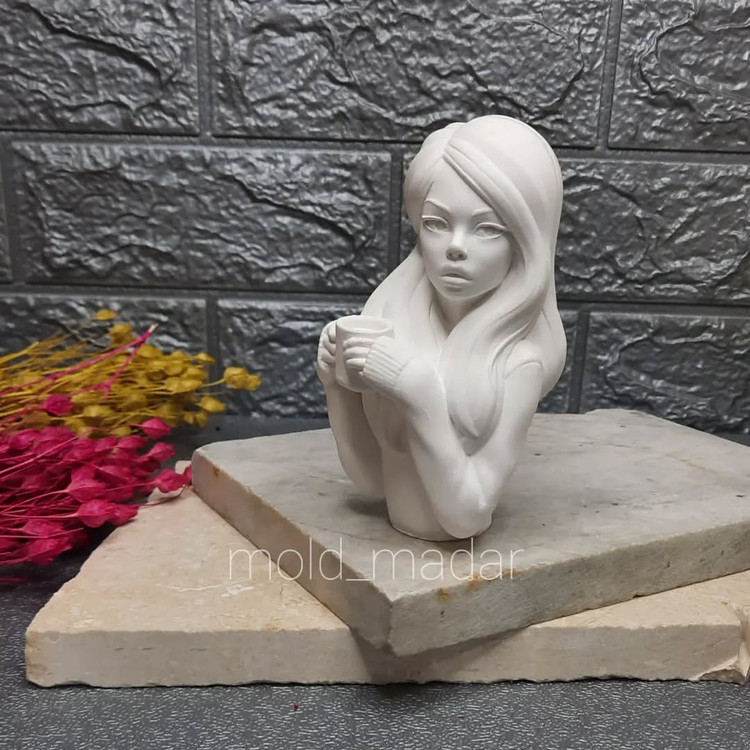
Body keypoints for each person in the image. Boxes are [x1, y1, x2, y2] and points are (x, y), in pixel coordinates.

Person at [316, 115, 566, 540]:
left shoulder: (516, 363)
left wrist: (419, 393)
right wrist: (337, 390)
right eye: (436, 223)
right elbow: (373, 482)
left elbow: (468, 517)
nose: (455, 247)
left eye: (487, 229)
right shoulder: (392, 325)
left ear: (524, 243)